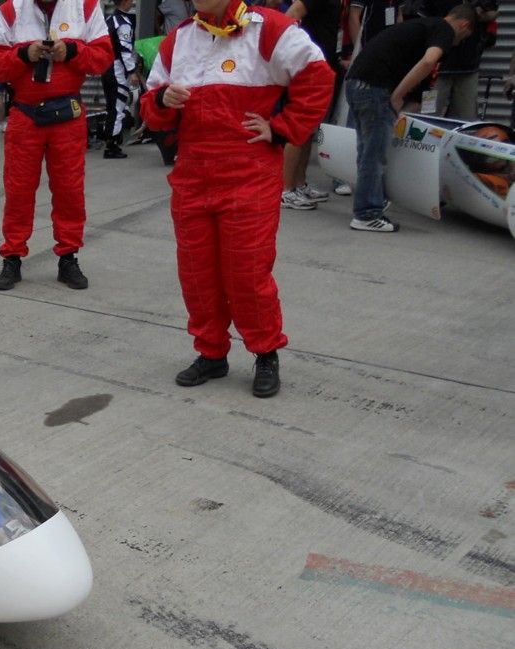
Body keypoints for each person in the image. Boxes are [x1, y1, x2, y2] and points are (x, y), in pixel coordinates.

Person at [142, 0, 334, 398]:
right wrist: (162, 101)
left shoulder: (269, 28)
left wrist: (281, 129)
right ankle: (211, 352)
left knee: (247, 272)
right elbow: (151, 104)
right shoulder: (179, 38)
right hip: (192, 172)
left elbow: (318, 77)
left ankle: (265, 353)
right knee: (196, 273)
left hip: (249, 172)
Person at [0, 0, 114, 291]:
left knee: (70, 190)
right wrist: (23, 54)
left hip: (67, 116)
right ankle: (12, 257)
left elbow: (103, 57)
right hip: (25, 115)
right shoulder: (10, 9)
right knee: (18, 190)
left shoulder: (86, 6)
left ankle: (68, 257)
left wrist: (71, 51)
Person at [344, 4, 476, 232]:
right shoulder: (444, 30)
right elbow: (428, 61)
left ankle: (371, 202)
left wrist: (402, 105)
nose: (459, 43)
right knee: (374, 155)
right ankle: (366, 214)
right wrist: (397, 96)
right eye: (464, 37)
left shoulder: (421, 27)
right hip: (374, 87)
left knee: (367, 152)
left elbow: (421, 77)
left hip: (356, 83)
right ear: (464, 25)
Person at [281, 0, 343, 208]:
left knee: (308, 129)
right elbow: (291, 14)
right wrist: (297, 53)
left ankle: (299, 183)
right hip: (308, 67)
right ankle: (285, 189)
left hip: (322, 65)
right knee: (298, 127)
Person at [429, 0, 497, 119]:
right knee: (429, 114)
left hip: (469, 64)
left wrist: (484, 13)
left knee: (466, 117)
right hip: (438, 63)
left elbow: (492, 12)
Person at [101, 0, 140, 158]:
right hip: (117, 70)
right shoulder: (123, 23)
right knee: (117, 106)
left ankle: (110, 141)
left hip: (106, 67)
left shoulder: (109, 19)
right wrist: (132, 72)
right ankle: (111, 146)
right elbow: (125, 50)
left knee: (111, 106)